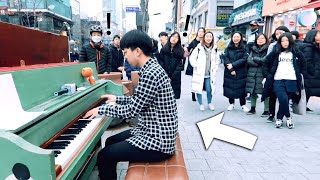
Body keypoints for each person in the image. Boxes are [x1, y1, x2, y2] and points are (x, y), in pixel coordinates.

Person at [83, 30, 178, 180]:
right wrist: (116, 98)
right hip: (153, 130)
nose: (125, 57)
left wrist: (102, 109)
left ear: (138, 51)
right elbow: (139, 100)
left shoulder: (150, 74)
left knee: (105, 156)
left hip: (158, 142)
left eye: (126, 52)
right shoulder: (150, 68)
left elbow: (132, 110)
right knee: (110, 141)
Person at [264, 32, 306, 128]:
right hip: (278, 79)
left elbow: (304, 63)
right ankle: (288, 117)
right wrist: (267, 75)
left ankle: (279, 118)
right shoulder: (276, 52)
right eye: (282, 41)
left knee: (286, 100)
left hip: (292, 79)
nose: (285, 43)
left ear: (290, 41)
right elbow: (266, 62)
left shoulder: (296, 52)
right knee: (282, 98)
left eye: (287, 40)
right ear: (280, 42)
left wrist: (301, 74)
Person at [263, 26, 290, 122]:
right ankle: (271, 114)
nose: (278, 35)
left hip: (288, 76)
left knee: (284, 97)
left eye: (281, 33)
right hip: (274, 74)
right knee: (272, 95)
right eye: (277, 33)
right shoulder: (272, 46)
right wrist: (267, 74)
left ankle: (281, 116)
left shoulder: (292, 47)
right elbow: (267, 60)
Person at [189, 31, 219, 111]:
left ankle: (209, 103)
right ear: (204, 38)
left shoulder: (214, 48)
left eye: (210, 36)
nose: (208, 38)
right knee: (199, 89)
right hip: (200, 73)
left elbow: (217, 60)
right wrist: (196, 66)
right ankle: (201, 104)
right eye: (207, 36)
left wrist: (215, 68)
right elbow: (192, 58)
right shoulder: (199, 47)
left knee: (209, 90)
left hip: (209, 74)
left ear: (212, 38)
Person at [222, 31, 250, 112]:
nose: (236, 38)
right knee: (230, 88)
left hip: (241, 71)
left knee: (242, 89)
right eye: (234, 37)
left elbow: (244, 59)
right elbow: (225, 58)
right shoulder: (228, 47)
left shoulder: (245, 47)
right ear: (232, 38)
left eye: (238, 37)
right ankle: (231, 104)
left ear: (241, 38)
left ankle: (243, 105)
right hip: (229, 71)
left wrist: (233, 65)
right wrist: (231, 69)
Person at [246, 33, 270, 116]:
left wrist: (255, 59)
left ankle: (266, 110)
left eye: (262, 38)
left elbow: (265, 60)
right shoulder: (253, 49)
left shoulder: (268, 49)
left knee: (265, 91)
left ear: (266, 40)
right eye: (258, 39)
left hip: (263, 73)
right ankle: (252, 108)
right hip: (252, 72)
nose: (260, 40)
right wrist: (258, 63)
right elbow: (248, 60)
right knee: (252, 91)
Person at [158, 32, 185, 99]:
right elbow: (161, 62)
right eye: (173, 36)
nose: (174, 38)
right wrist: (165, 75)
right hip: (164, 77)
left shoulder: (180, 50)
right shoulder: (164, 49)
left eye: (176, 37)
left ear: (178, 40)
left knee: (173, 97)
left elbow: (180, 65)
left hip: (175, 77)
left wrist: (172, 76)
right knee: (164, 96)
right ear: (170, 38)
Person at [299, 29, 320, 112]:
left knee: (308, 91)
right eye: (318, 34)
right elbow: (307, 61)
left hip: (312, 74)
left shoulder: (313, 46)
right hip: (311, 74)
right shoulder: (308, 48)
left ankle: (303, 106)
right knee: (308, 90)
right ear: (313, 36)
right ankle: (301, 106)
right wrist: (314, 71)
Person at [185, 27, 206, 101]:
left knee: (202, 78)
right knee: (195, 79)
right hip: (194, 63)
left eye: (202, 32)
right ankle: (193, 94)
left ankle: (199, 92)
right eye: (199, 31)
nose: (200, 33)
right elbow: (187, 49)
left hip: (202, 63)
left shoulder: (205, 41)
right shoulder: (194, 42)